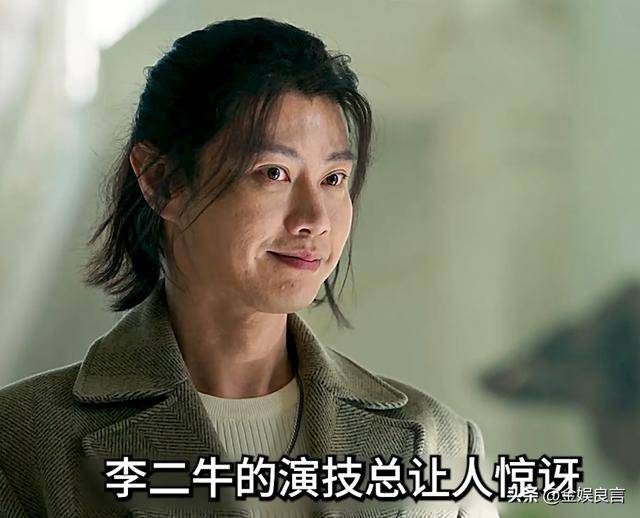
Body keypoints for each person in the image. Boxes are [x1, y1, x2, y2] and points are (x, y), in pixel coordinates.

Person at [0, 17, 498, 517]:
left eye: (333, 178)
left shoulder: (440, 446)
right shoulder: (23, 446)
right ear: (162, 181)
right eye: (273, 173)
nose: (314, 220)